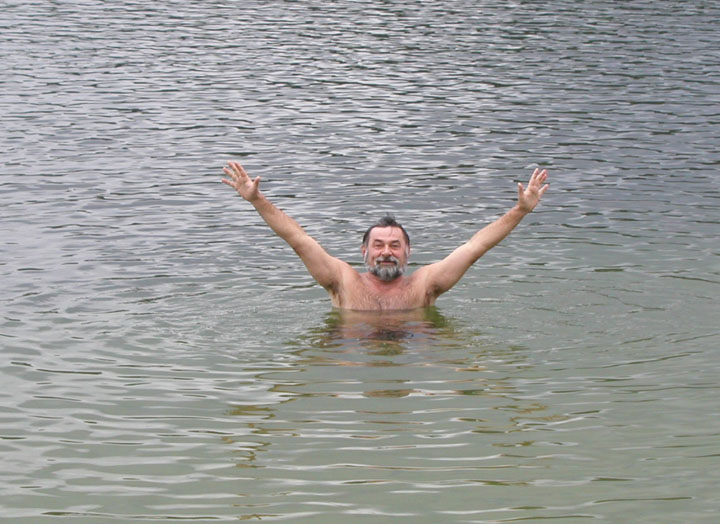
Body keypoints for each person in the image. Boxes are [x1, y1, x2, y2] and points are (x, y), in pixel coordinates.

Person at [222, 161, 549, 311]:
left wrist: (520, 210)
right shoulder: (342, 280)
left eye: (395, 245)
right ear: (364, 251)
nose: (386, 252)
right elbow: (299, 239)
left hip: (415, 348)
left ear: (408, 252)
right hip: (351, 353)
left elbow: (476, 246)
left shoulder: (425, 284)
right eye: (378, 245)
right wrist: (257, 200)